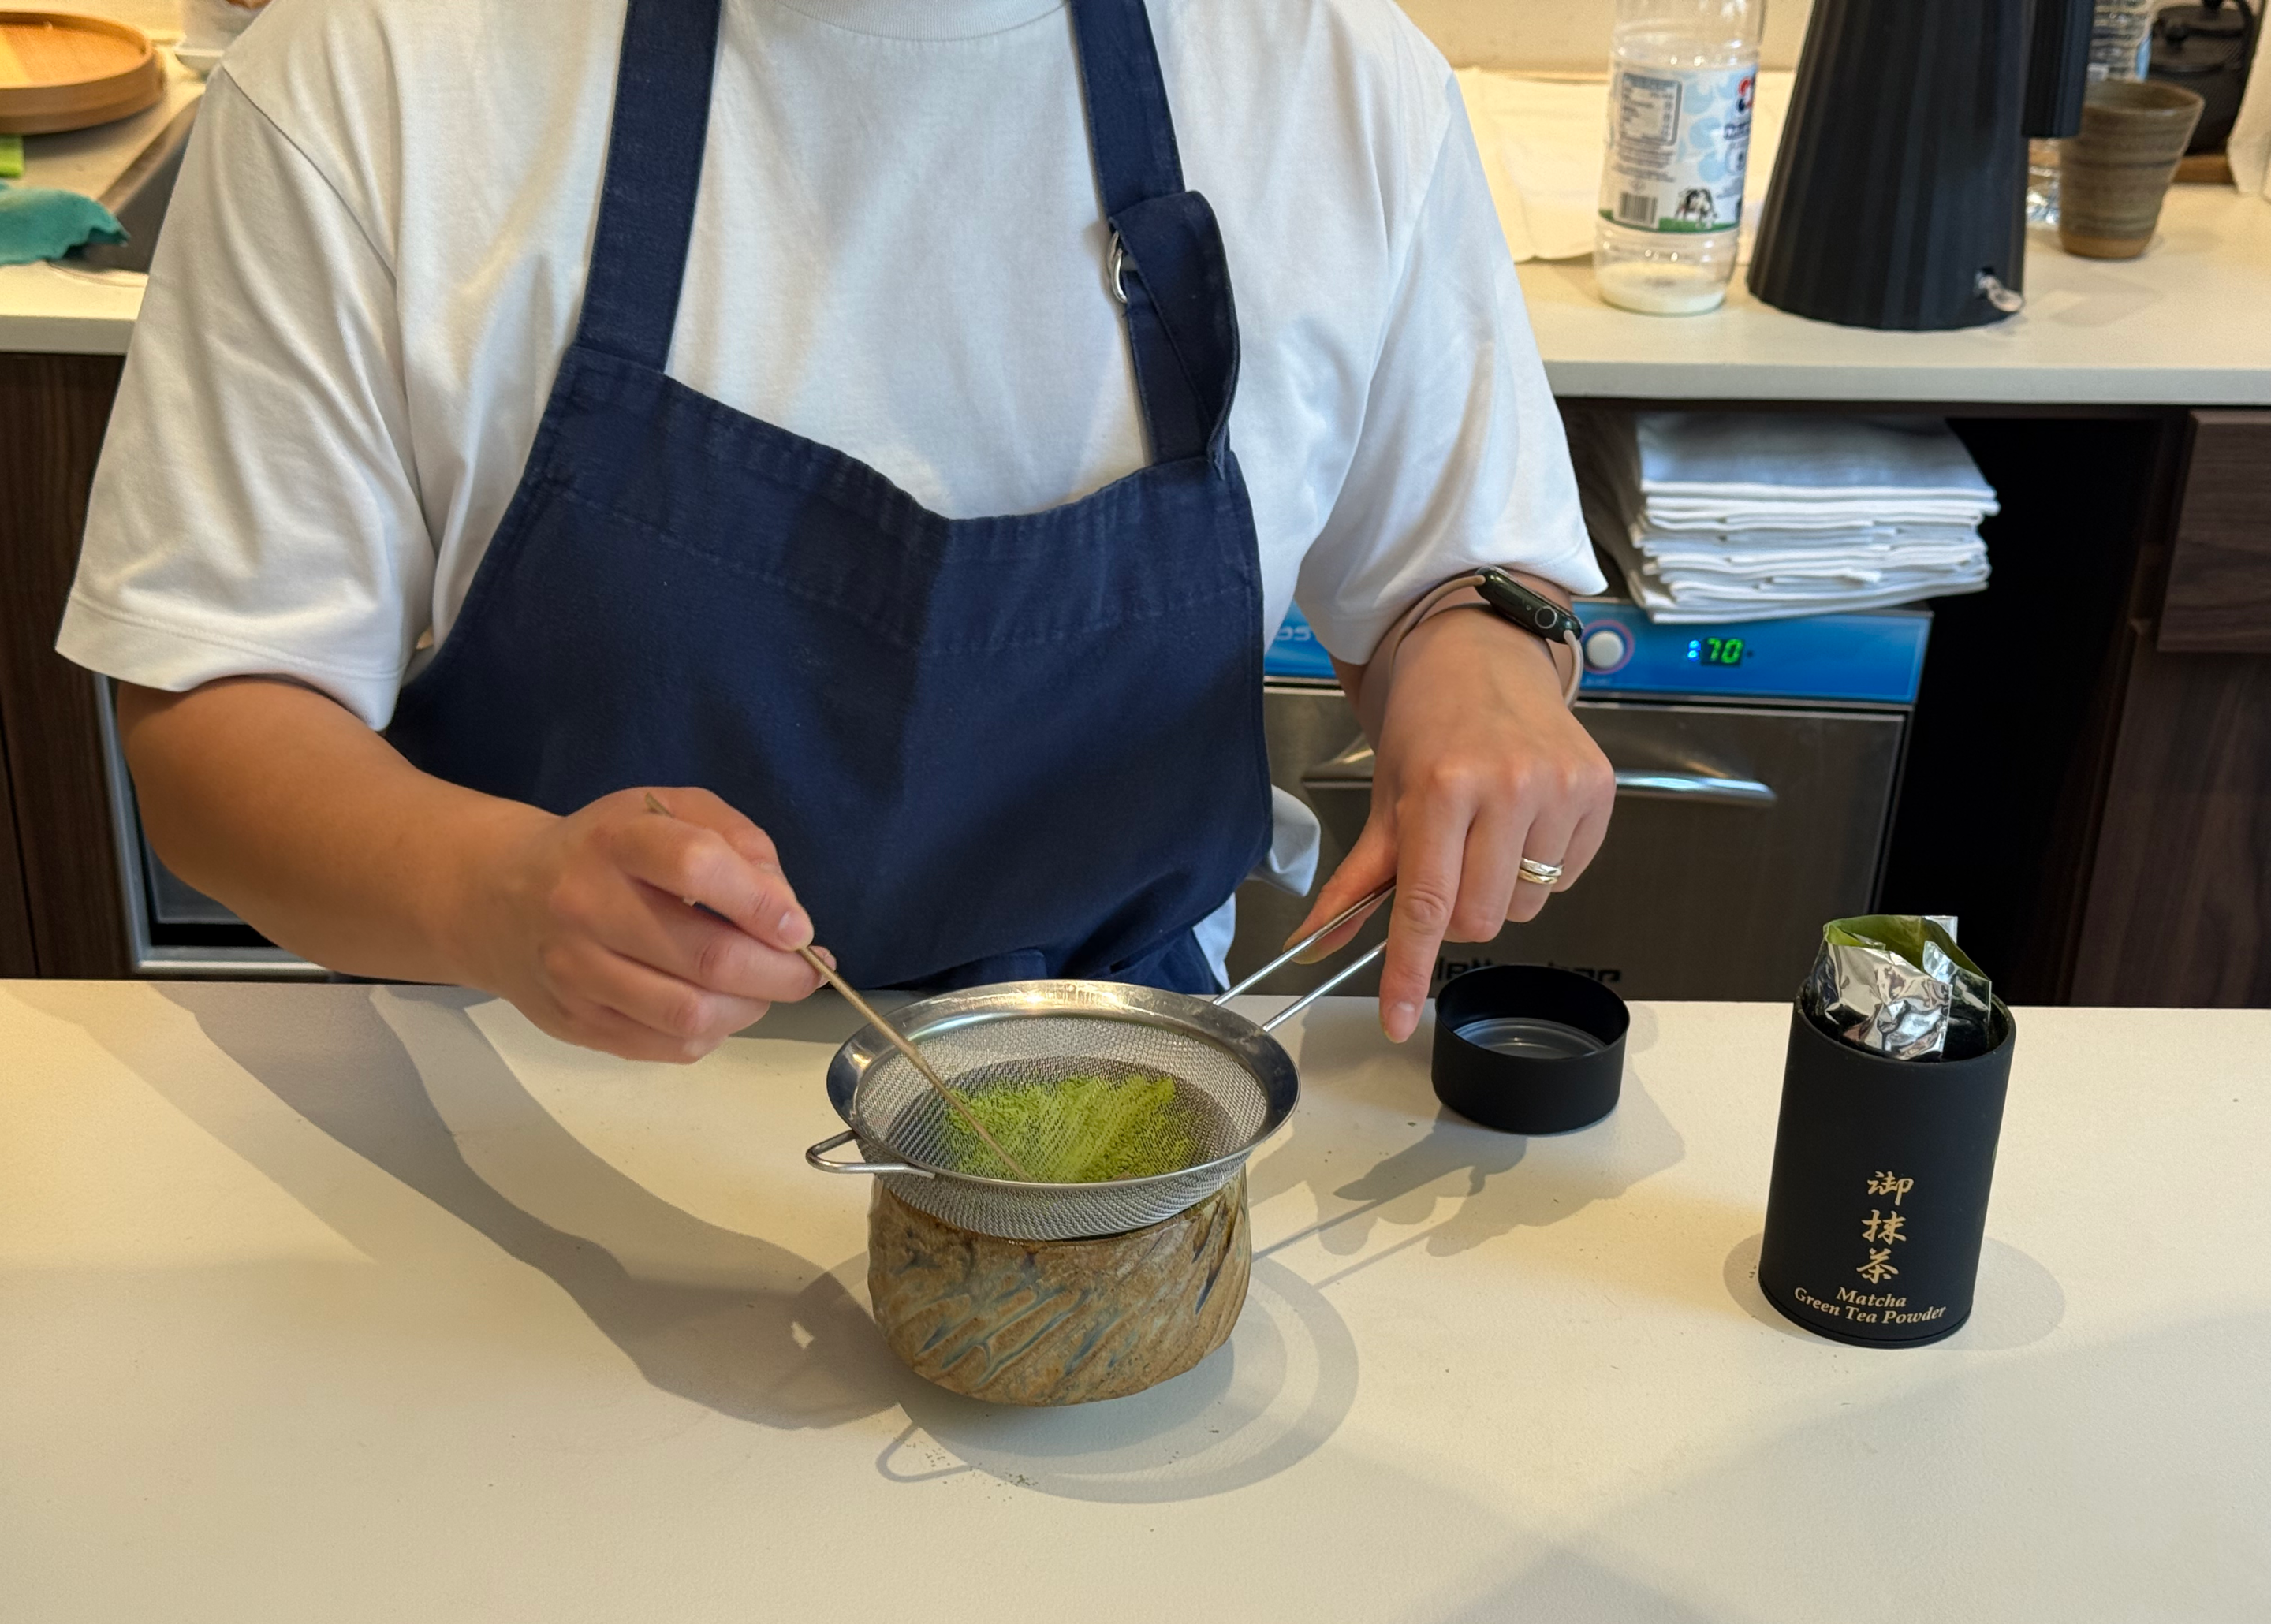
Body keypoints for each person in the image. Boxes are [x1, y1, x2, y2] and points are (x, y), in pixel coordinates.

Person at [60, 0, 1614, 1063]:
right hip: (545, 1117)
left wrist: (1479, 665)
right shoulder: (379, 73)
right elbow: (214, 716)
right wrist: (502, 893)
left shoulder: (1334, 76)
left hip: (1120, 1114)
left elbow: (1452, 578)